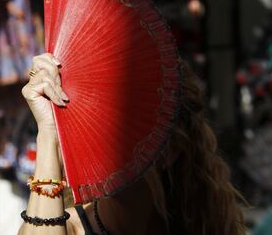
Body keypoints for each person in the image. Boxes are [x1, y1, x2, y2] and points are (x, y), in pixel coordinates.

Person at [18, 53, 246, 235]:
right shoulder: (68, 228)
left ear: (169, 150)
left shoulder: (202, 226)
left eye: (121, 122)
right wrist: (49, 133)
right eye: (92, 118)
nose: (96, 136)